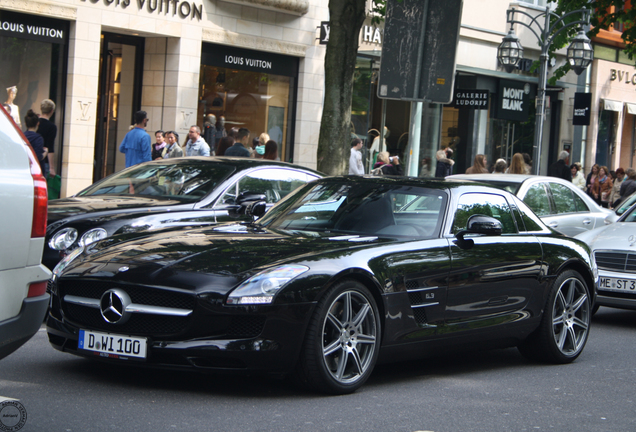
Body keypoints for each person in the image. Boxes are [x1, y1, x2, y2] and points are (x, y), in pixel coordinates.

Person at [38, 98, 57, 177]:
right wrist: (52, 167)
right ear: (52, 111)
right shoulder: (51, 127)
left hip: (32, 159)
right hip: (44, 160)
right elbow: (50, 147)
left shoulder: (35, 122)